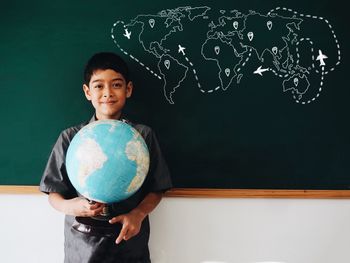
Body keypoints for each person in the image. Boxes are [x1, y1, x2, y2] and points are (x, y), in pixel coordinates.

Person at [40, 52, 172, 263]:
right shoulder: (71, 138)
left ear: (128, 89)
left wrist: (138, 215)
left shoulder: (142, 136)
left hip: (129, 241)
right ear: (87, 91)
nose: (107, 93)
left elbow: (157, 188)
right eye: (99, 86)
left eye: (116, 85)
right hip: (82, 244)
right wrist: (71, 206)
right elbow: (53, 193)